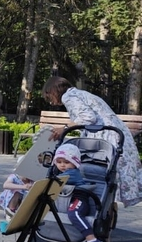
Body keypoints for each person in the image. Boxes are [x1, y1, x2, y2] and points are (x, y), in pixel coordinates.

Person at [43, 76, 142, 207]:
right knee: (114, 174)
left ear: (54, 90)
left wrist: (64, 128)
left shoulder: (68, 97)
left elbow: (88, 117)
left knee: (104, 171)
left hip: (108, 137)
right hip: (118, 133)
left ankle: (93, 204)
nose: (51, 102)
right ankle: (108, 210)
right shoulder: (79, 94)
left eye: (49, 97)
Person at [51, 143, 105, 242]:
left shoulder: (72, 173)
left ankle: (92, 240)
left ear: (74, 163)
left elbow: (56, 181)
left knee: (74, 213)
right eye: (59, 162)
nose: (62, 165)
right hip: (65, 201)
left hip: (79, 200)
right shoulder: (60, 173)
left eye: (66, 162)